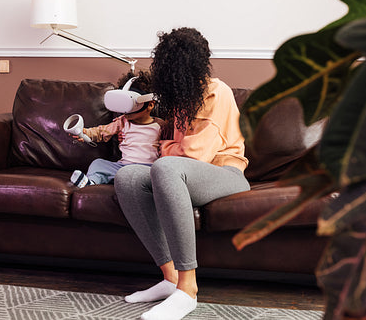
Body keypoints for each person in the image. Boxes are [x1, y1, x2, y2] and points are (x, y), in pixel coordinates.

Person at [114, 27, 250, 320]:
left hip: (227, 174)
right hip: (190, 174)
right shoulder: (182, 100)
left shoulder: (217, 93)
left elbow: (193, 154)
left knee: (166, 165)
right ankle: (170, 278)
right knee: (127, 177)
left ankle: (188, 290)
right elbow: (182, 151)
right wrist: (171, 146)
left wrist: (166, 146)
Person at [70, 71, 165, 187]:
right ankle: (91, 182)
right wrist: (86, 133)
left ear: (149, 105)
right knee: (98, 163)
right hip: (123, 167)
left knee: (161, 172)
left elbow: (170, 145)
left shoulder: (160, 125)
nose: (125, 110)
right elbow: (102, 132)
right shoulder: (122, 122)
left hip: (148, 168)